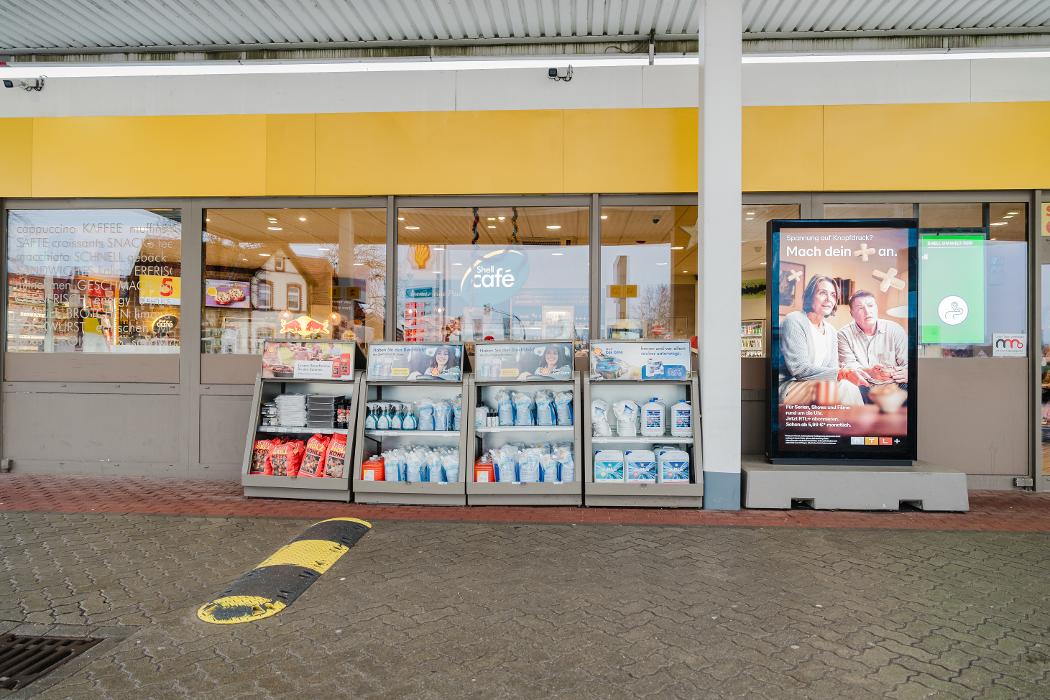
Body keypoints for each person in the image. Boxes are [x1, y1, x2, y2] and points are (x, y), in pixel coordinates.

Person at [779, 275, 865, 406]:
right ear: (810, 296)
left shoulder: (831, 331)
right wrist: (842, 373)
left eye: (833, 295)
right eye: (822, 293)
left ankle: (854, 425)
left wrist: (845, 373)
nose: (829, 299)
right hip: (789, 387)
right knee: (845, 388)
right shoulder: (794, 320)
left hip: (818, 385)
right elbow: (799, 370)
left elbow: (832, 370)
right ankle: (861, 426)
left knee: (847, 385)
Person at [837, 290, 908, 402]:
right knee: (847, 386)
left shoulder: (895, 329)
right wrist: (871, 372)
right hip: (864, 385)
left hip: (895, 385)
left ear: (876, 308)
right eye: (860, 308)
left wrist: (907, 372)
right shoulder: (843, 335)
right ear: (852, 313)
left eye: (870, 306)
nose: (867, 311)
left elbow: (908, 363)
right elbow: (850, 368)